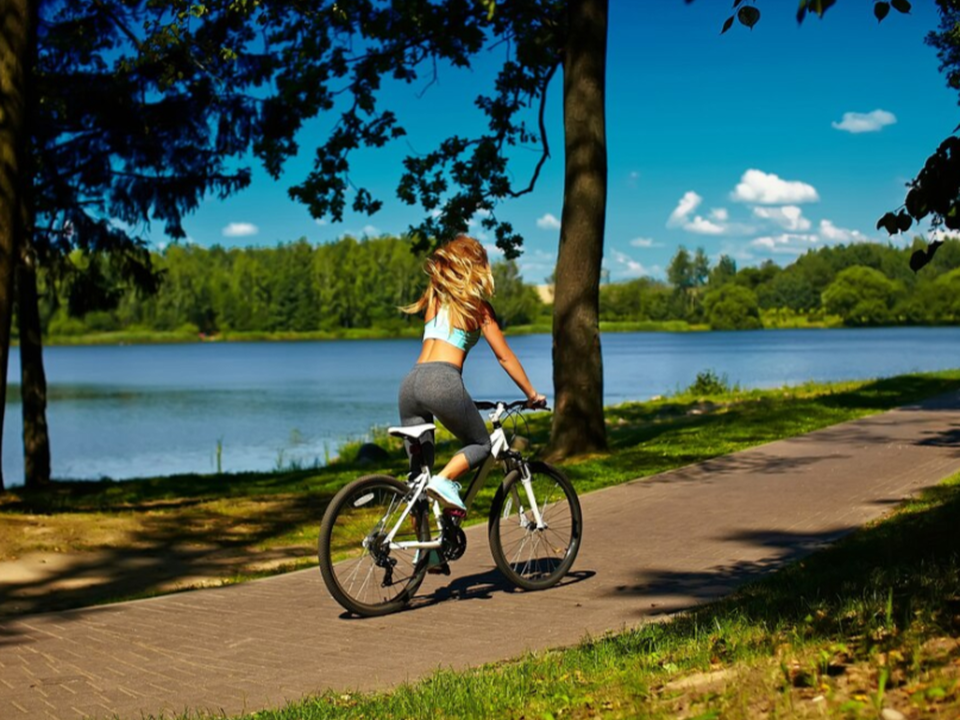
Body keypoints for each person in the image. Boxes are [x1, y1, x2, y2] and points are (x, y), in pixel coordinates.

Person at [399, 234, 546, 512]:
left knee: (417, 480)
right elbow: (505, 356)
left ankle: (425, 555)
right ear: (476, 268)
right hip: (441, 381)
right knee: (481, 444)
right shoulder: (479, 309)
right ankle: (444, 482)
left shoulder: (434, 300)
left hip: (410, 384)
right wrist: (531, 394)